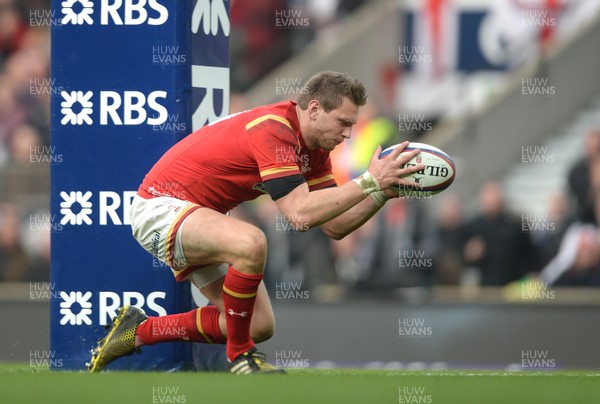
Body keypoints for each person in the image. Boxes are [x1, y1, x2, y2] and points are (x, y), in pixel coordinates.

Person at [87, 71, 424, 374]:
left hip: (202, 216)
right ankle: (240, 356)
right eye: (343, 123)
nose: (349, 134)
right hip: (161, 204)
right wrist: (368, 180)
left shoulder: (316, 151)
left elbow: (334, 226)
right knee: (252, 243)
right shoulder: (274, 128)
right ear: (315, 109)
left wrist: (381, 192)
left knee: (258, 323)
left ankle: (137, 332)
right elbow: (300, 214)